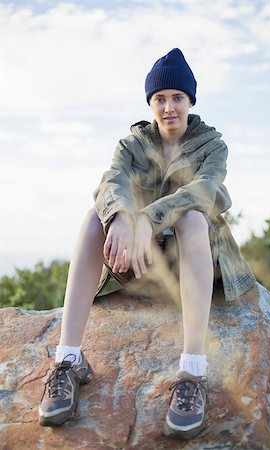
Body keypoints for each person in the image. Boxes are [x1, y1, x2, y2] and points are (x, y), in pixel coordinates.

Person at [38, 48, 256, 440]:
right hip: (141, 264)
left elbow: (208, 192)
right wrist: (123, 216)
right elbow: (111, 183)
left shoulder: (211, 145)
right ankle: (67, 361)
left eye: (177, 97)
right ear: (150, 102)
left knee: (191, 217)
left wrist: (146, 218)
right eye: (160, 98)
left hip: (195, 263)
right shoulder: (132, 144)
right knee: (94, 217)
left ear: (190, 100)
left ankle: (192, 371)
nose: (168, 107)